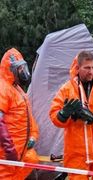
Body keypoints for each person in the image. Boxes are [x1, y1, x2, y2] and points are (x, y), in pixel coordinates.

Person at [49, 50, 93, 180]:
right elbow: (54, 116)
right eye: (87, 68)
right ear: (78, 68)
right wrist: (63, 114)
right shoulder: (67, 90)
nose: (91, 71)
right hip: (76, 153)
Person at [0, 48, 39, 179]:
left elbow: (28, 118)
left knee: (31, 161)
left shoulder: (17, 89)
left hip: (19, 154)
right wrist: (9, 150)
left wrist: (33, 136)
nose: (23, 72)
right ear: (11, 69)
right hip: (6, 157)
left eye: (23, 68)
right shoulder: (3, 88)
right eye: (20, 69)